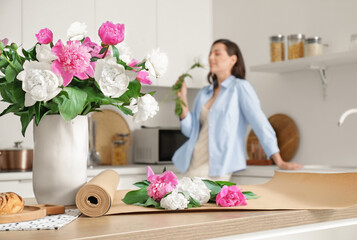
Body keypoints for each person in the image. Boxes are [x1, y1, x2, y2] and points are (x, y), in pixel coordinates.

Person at [172, 39, 303, 181]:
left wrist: (279, 160)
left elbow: (260, 123)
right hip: (192, 162)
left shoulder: (240, 88)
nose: (210, 58)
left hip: (218, 166)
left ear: (232, 60)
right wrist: (182, 99)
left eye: (217, 54)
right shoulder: (204, 93)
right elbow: (189, 131)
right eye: (210, 54)